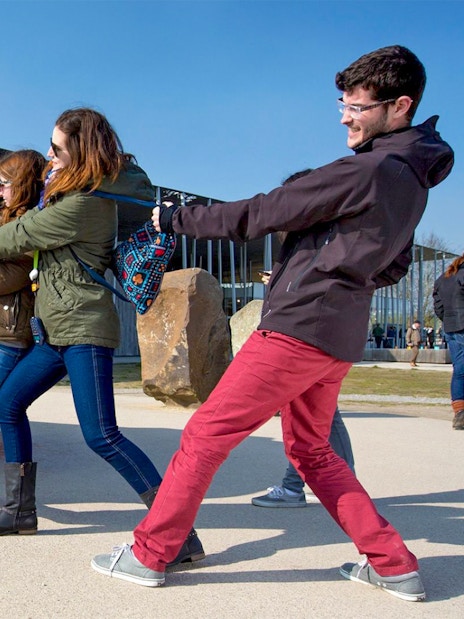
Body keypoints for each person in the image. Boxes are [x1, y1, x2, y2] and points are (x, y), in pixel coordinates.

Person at [93, 45, 454, 601]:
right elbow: (395, 264)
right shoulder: (412, 182)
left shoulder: (368, 169)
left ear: (400, 105)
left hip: (297, 330)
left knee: (205, 435)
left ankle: (149, 554)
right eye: (343, 103)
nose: (344, 116)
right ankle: (393, 563)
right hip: (336, 335)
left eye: (356, 106)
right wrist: (332, 276)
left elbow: (260, 212)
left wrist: (174, 216)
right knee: (312, 452)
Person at [0, 109, 204, 565]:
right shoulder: (68, 195)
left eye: (56, 149)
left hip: (85, 331)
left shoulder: (83, 206)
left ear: (80, 152)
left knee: (102, 436)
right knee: (6, 405)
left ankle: (179, 534)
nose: (48, 155)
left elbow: (14, 237)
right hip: (57, 332)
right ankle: (17, 512)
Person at [252, 169, 356, 508]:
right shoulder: (317, 239)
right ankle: (327, 484)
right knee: (319, 418)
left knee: (311, 418)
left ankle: (314, 485)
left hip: (306, 337)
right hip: (318, 336)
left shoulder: (318, 239)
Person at [0, 150, 45, 384]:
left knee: (8, 408)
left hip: (9, 335)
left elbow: (14, 275)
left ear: (22, 184)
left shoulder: (32, 225)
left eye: (3, 183)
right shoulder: (4, 215)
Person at [433, 253, 464, 430]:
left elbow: (437, 305)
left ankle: (459, 412)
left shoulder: (443, 278)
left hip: (451, 327)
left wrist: (448, 319)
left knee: (459, 369)